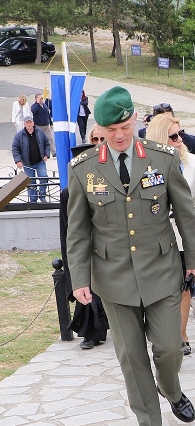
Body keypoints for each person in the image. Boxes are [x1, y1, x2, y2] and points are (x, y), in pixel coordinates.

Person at [66, 86, 195, 426]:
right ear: (100, 128)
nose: (119, 135)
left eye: (125, 126)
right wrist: (79, 278)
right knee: (131, 357)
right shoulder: (83, 169)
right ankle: (149, 423)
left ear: (134, 122)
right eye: (111, 129)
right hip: (113, 278)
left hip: (160, 270)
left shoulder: (161, 158)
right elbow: (77, 229)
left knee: (169, 348)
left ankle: (171, 389)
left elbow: (186, 214)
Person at [147, 113, 195, 356]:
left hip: (184, 234)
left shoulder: (192, 161)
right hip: (157, 237)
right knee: (164, 289)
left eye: (180, 134)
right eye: (172, 136)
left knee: (185, 287)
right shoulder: (146, 163)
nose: (178, 139)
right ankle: (164, 335)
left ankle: (181, 335)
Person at [60, 142, 109, 350]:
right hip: (82, 248)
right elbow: (67, 228)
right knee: (86, 290)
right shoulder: (66, 193)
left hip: (104, 245)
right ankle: (91, 332)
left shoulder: (103, 188)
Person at [11, 115, 50, 203]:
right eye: (27, 123)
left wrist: (46, 154)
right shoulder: (19, 135)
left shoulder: (40, 132)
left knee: (44, 178)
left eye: (30, 122)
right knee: (31, 182)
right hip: (28, 163)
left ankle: (42, 195)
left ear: (33, 122)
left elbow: (47, 144)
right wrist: (18, 161)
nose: (29, 124)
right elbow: (15, 148)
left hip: (40, 161)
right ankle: (33, 200)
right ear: (24, 124)